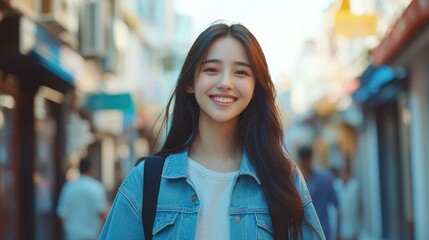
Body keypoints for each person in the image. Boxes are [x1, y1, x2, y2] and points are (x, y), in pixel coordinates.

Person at [99, 21, 325, 240]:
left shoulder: (284, 179)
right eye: (211, 69)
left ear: (256, 87)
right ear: (190, 83)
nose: (225, 82)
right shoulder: (146, 181)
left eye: (241, 72)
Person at [57, 157, 109, 240]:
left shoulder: (68, 188)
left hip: (72, 235)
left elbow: (61, 215)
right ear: (91, 169)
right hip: (92, 235)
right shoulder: (97, 187)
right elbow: (103, 214)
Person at [297, 146, 339, 240]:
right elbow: (337, 206)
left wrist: (338, 232)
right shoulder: (325, 178)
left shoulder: (324, 179)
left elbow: (337, 206)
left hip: (318, 231)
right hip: (313, 232)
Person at [333, 157, 360, 240]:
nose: (344, 175)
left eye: (346, 173)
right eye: (343, 173)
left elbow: (359, 203)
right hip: (341, 219)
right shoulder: (337, 185)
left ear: (349, 174)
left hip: (353, 218)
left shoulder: (355, 185)